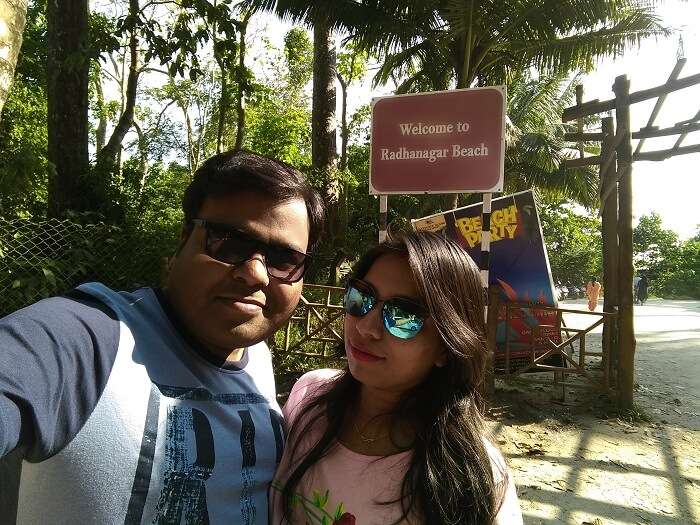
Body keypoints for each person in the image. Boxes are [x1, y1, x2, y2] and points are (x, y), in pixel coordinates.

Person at [0, 150, 325, 524]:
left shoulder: (260, 363)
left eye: (284, 260)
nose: (256, 274)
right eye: (229, 242)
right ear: (185, 238)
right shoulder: (87, 340)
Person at [270, 231, 523, 525]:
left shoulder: (472, 475)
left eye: (403, 316)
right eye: (361, 297)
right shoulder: (308, 397)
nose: (367, 328)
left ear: (446, 346)